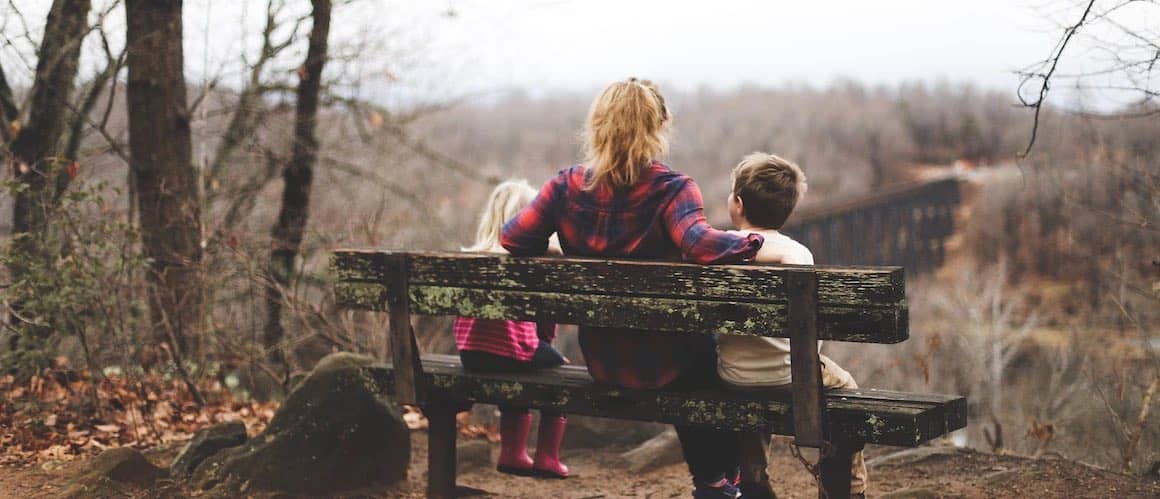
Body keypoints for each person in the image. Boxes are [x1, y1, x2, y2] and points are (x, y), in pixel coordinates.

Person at [501, 78, 763, 498]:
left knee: (693, 354)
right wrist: (753, 242)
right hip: (671, 365)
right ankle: (716, 482)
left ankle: (718, 482)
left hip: (605, 360)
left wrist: (557, 247)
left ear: (598, 126)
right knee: (705, 359)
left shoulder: (564, 187)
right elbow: (698, 242)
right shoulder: (672, 189)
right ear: (659, 127)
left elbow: (514, 237)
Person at [717, 152, 867, 499]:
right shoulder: (797, 254)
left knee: (749, 400)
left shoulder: (720, 249)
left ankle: (752, 477)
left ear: (737, 204)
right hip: (792, 375)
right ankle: (850, 487)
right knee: (848, 387)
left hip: (734, 375)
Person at [455, 179, 571, 479]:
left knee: (519, 365)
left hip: (471, 355)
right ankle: (547, 458)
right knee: (560, 372)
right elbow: (544, 322)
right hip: (514, 352)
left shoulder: (471, 258)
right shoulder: (530, 261)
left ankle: (513, 453)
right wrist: (546, 346)